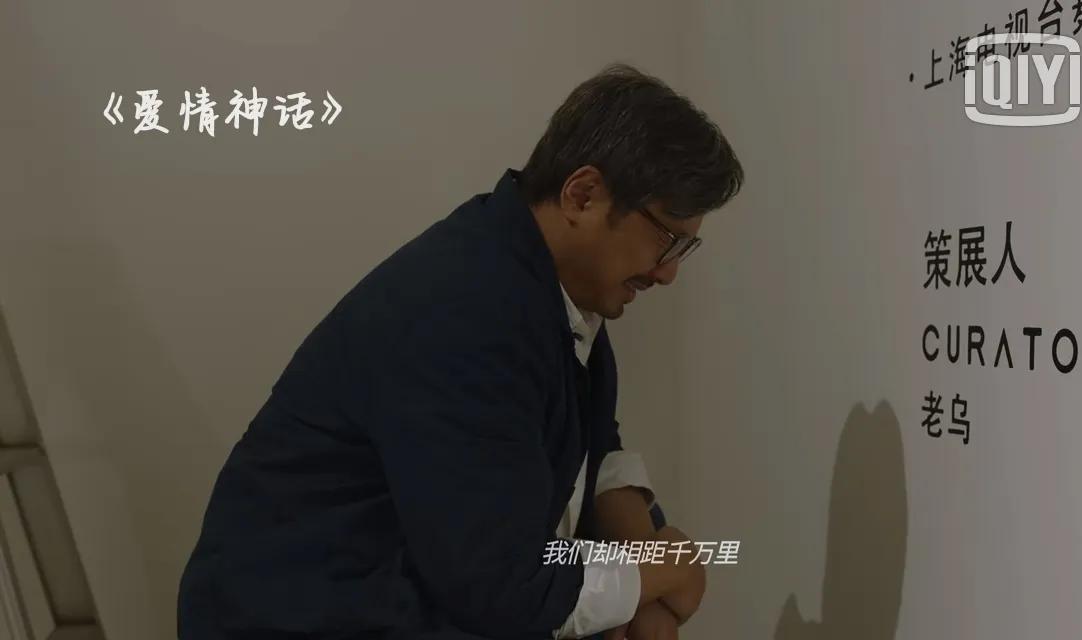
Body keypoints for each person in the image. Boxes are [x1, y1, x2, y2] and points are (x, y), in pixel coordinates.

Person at [177, 62, 743, 640]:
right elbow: (502, 588)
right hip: (306, 613)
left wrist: (649, 566)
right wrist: (657, 577)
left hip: (414, 590)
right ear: (583, 195)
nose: (668, 272)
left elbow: (594, 445)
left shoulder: (550, 285)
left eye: (684, 248)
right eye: (666, 239)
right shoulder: (467, 313)